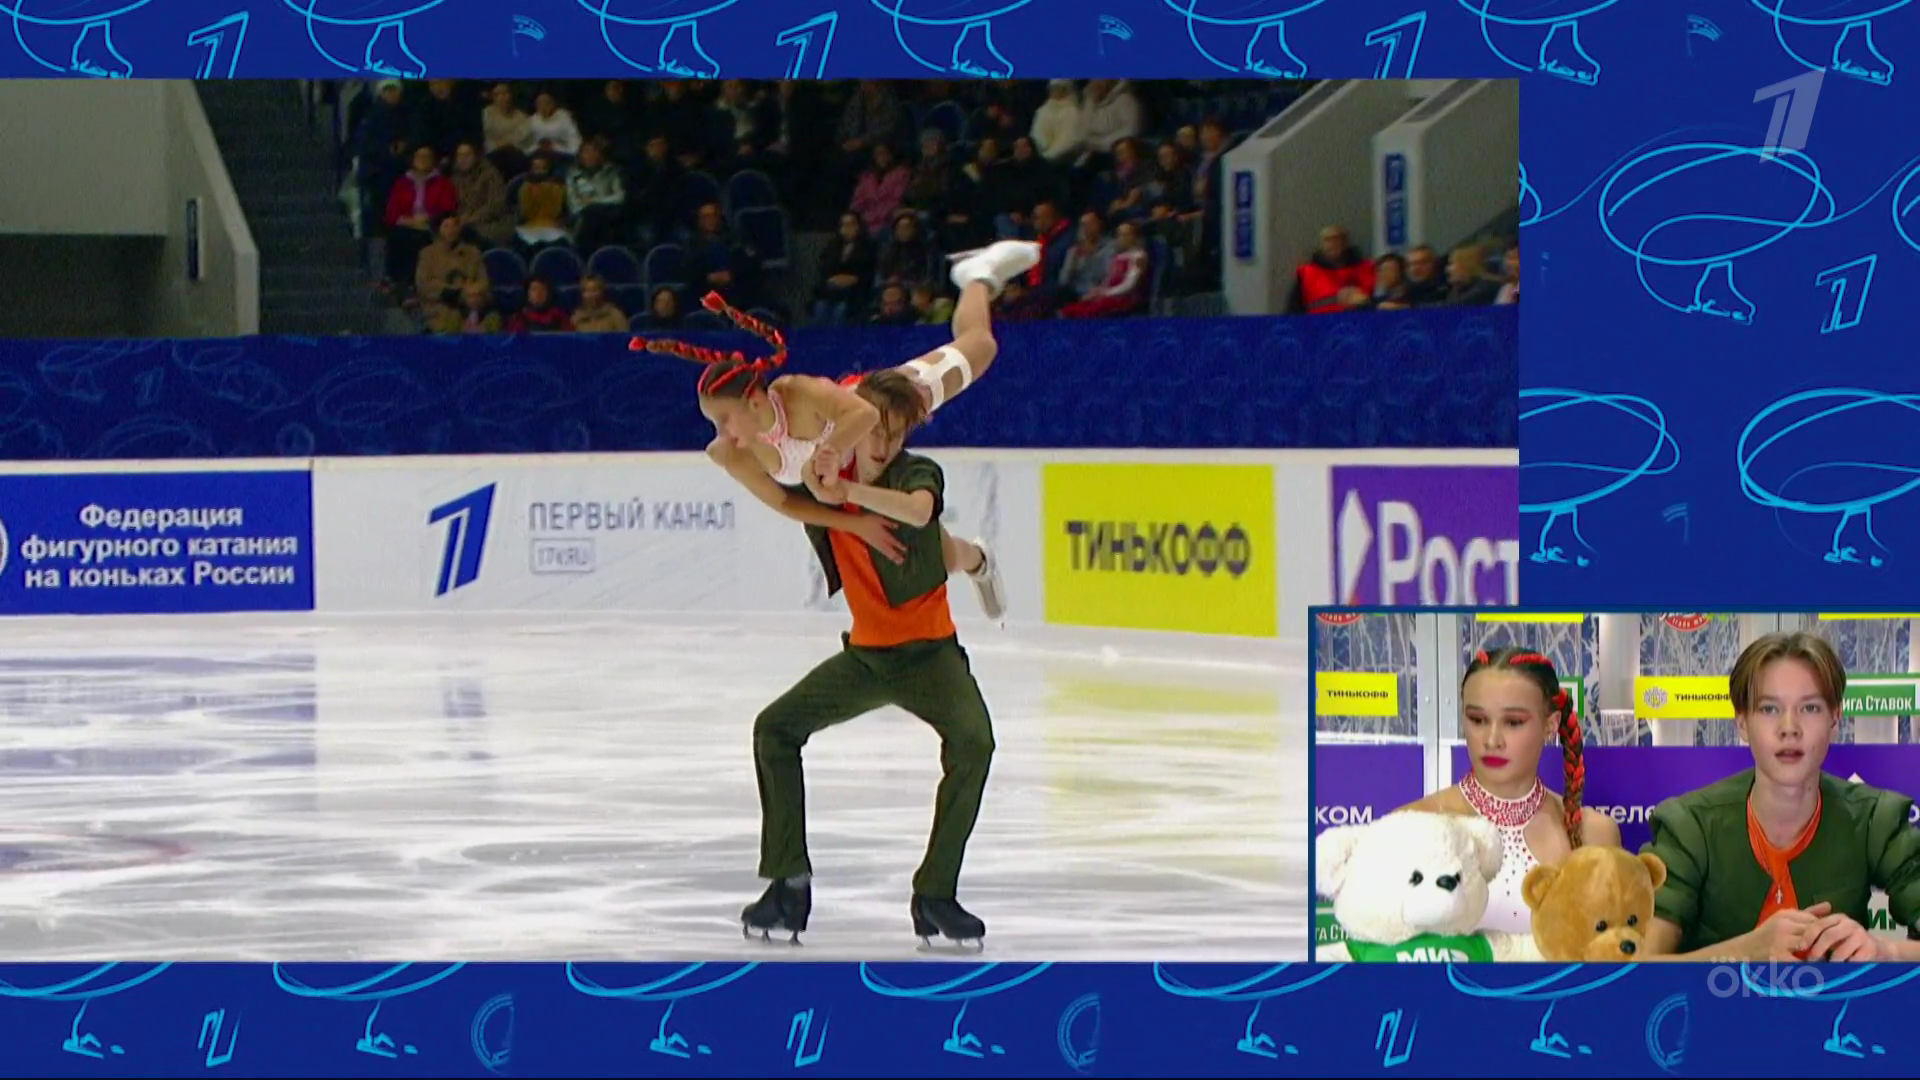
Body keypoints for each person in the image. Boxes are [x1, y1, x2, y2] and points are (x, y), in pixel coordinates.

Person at [631, 240, 1039, 620]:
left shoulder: (797, 391)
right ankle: (977, 560)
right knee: (932, 556)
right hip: (842, 492)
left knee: (981, 347)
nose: (719, 432)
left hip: (878, 411)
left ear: (754, 401)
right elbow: (786, 503)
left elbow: (864, 413)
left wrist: (827, 452)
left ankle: (976, 276)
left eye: (723, 419)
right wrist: (856, 524)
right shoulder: (728, 453)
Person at [741, 371, 995, 947]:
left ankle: (935, 894)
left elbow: (918, 512)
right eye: (876, 430)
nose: (883, 444)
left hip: (931, 658)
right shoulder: (820, 472)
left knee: (975, 744)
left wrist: (848, 494)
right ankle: (788, 885)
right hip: (866, 659)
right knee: (774, 729)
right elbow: (768, 465)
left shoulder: (915, 473)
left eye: (897, 433)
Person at [1640, 632, 1920, 961]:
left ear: (1835, 718)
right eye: (1769, 708)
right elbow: (1635, 969)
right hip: (1714, 996)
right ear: (1742, 722)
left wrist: (1886, 952)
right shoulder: (1690, 826)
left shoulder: (1875, 820)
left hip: (1835, 997)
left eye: (1810, 708)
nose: (1790, 727)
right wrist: (1745, 951)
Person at [1393, 646, 1620, 935]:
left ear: (1550, 725)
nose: (1492, 740)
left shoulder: (1595, 833)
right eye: (1478, 720)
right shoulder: (1411, 826)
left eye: (1513, 722)